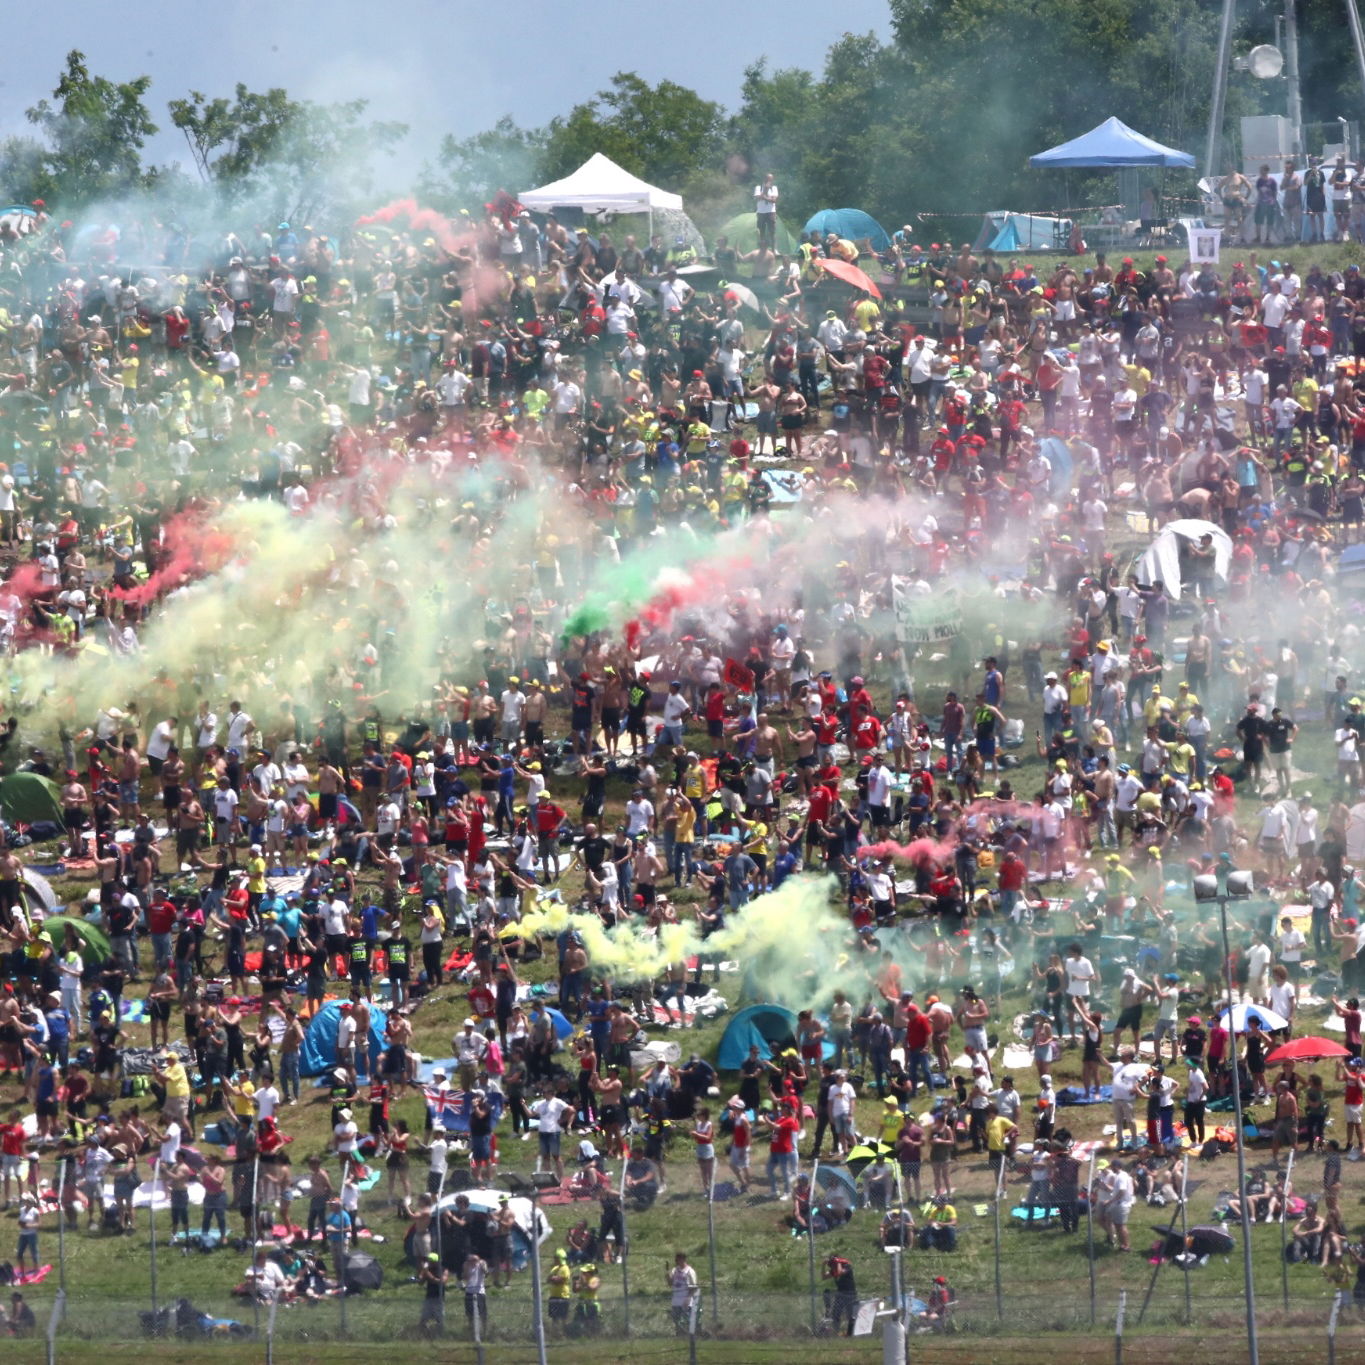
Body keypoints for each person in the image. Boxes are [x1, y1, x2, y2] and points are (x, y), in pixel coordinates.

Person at [667, 1250, 698, 1334]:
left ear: (683, 1259)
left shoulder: (689, 1271)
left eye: (677, 1260)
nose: (676, 1262)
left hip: (686, 1300)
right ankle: (679, 1334)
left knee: (686, 1320)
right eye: (675, 1260)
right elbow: (670, 1283)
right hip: (676, 1300)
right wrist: (667, 1274)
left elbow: (694, 1287)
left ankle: (687, 1335)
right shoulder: (674, 1270)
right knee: (676, 1320)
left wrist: (688, 1298)